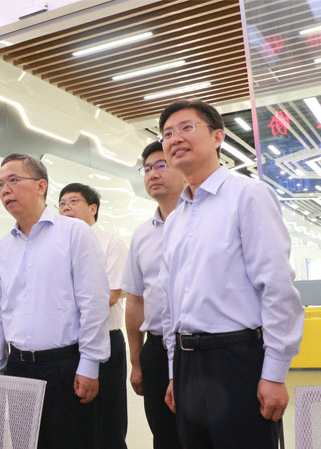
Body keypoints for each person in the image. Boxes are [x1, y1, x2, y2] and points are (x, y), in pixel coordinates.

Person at [158, 100, 304, 449]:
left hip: (237, 359)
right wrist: (174, 371)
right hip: (187, 363)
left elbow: (276, 286)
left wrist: (274, 374)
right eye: (167, 133)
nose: (175, 138)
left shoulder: (248, 196)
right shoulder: (175, 219)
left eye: (186, 127)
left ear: (218, 137)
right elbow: (170, 302)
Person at [0, 153, 110, 449]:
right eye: (0, 184)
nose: (5, 190)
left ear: (41, 186)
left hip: (66, 367)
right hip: (18, 368)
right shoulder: (1, 251)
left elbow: (93, 301)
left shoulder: (74, 233)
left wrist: (89, 363)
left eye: (13, 180)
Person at [59, 182, 129, 449]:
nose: (66, 207)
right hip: (68, 346)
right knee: (74, 423)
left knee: (107, 422)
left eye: (73, 201)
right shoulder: (58, 246)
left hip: (105, 341)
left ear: (93, 209)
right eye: (61, 203)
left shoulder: (111, 243)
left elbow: (110, 295)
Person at [122, 142, 182, 449]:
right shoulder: (142, 235)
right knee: (165, 436)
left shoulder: (202, 221)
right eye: (146, 169)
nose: (152, 174)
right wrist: (136, 361)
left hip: (197, 349)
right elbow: (135, 300)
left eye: (161, 165)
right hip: (156, 351)